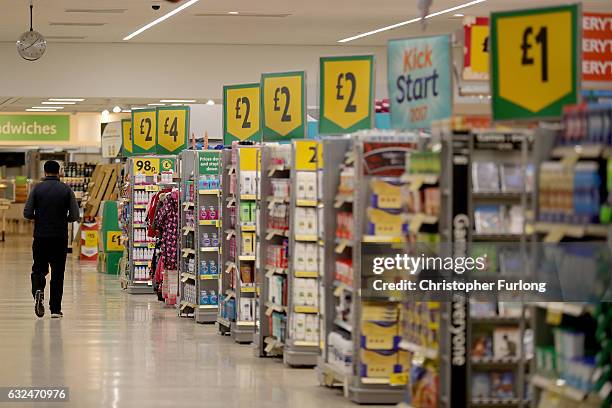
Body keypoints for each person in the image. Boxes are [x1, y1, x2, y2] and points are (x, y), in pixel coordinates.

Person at [23, 160, 80, 318]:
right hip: (60, 237)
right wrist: (63, 219)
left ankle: (38, 291)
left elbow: (27, 213)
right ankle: (55, 309)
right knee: (58, 273)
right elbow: (75, 215)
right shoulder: (66, 190)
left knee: (39, 269)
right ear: (59, 171)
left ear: (45, 172)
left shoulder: (37, 189)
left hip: (41, 237)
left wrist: (39, 217)